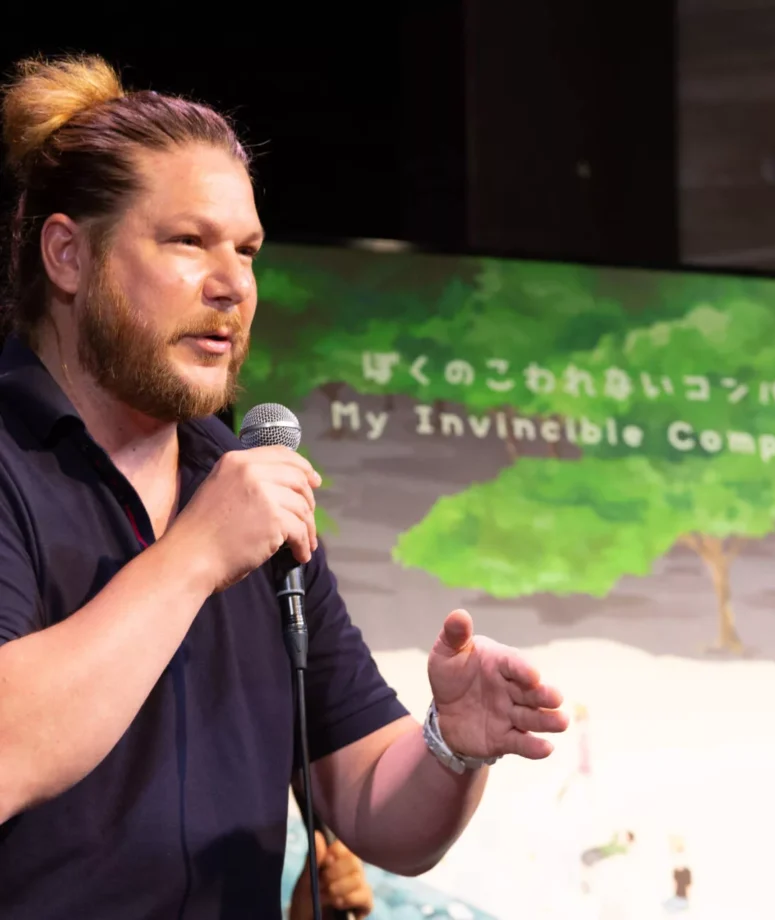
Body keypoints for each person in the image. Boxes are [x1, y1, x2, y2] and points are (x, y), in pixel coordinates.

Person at [0, 54, 568, 919]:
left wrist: (452, 748)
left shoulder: (244, 485)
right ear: (69, 255)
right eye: (188, 242)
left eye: (248, 251)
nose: (232, 285)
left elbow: (374, 801)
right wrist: (193, 555)